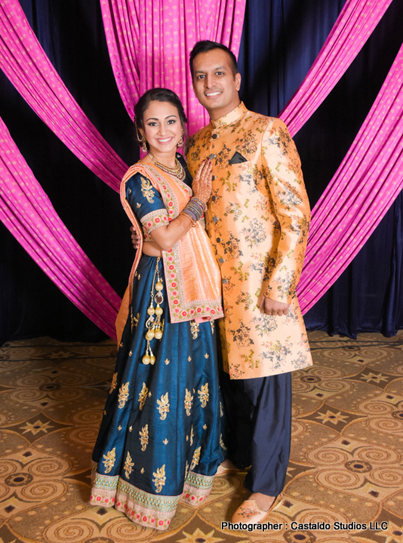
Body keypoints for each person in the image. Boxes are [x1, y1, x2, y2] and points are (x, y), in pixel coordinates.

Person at [185, 40, 313, 524]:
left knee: (266, 384)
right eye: (200, 75)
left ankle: (265, 487)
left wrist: (282, 284)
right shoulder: (195, 146)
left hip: (260, 287)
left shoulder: (267, 131)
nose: (210, 83)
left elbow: (295, 214)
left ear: (236, 79)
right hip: (211, 287)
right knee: (228, 382)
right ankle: (240, 457)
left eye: (219, 73)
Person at [90, 88, 226, 531]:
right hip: (162, 293)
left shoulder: (184, 170)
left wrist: (155, 233)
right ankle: (145, 486)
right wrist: (196, 204)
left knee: (195, 375)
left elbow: (163, 233)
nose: (163, 131)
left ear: (183, 128)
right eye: (153, 123)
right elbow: (166, 238)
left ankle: (191, 471)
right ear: (139, 132)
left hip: (195, 287)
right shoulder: (139, 178)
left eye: (171, 121)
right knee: (158, 380)